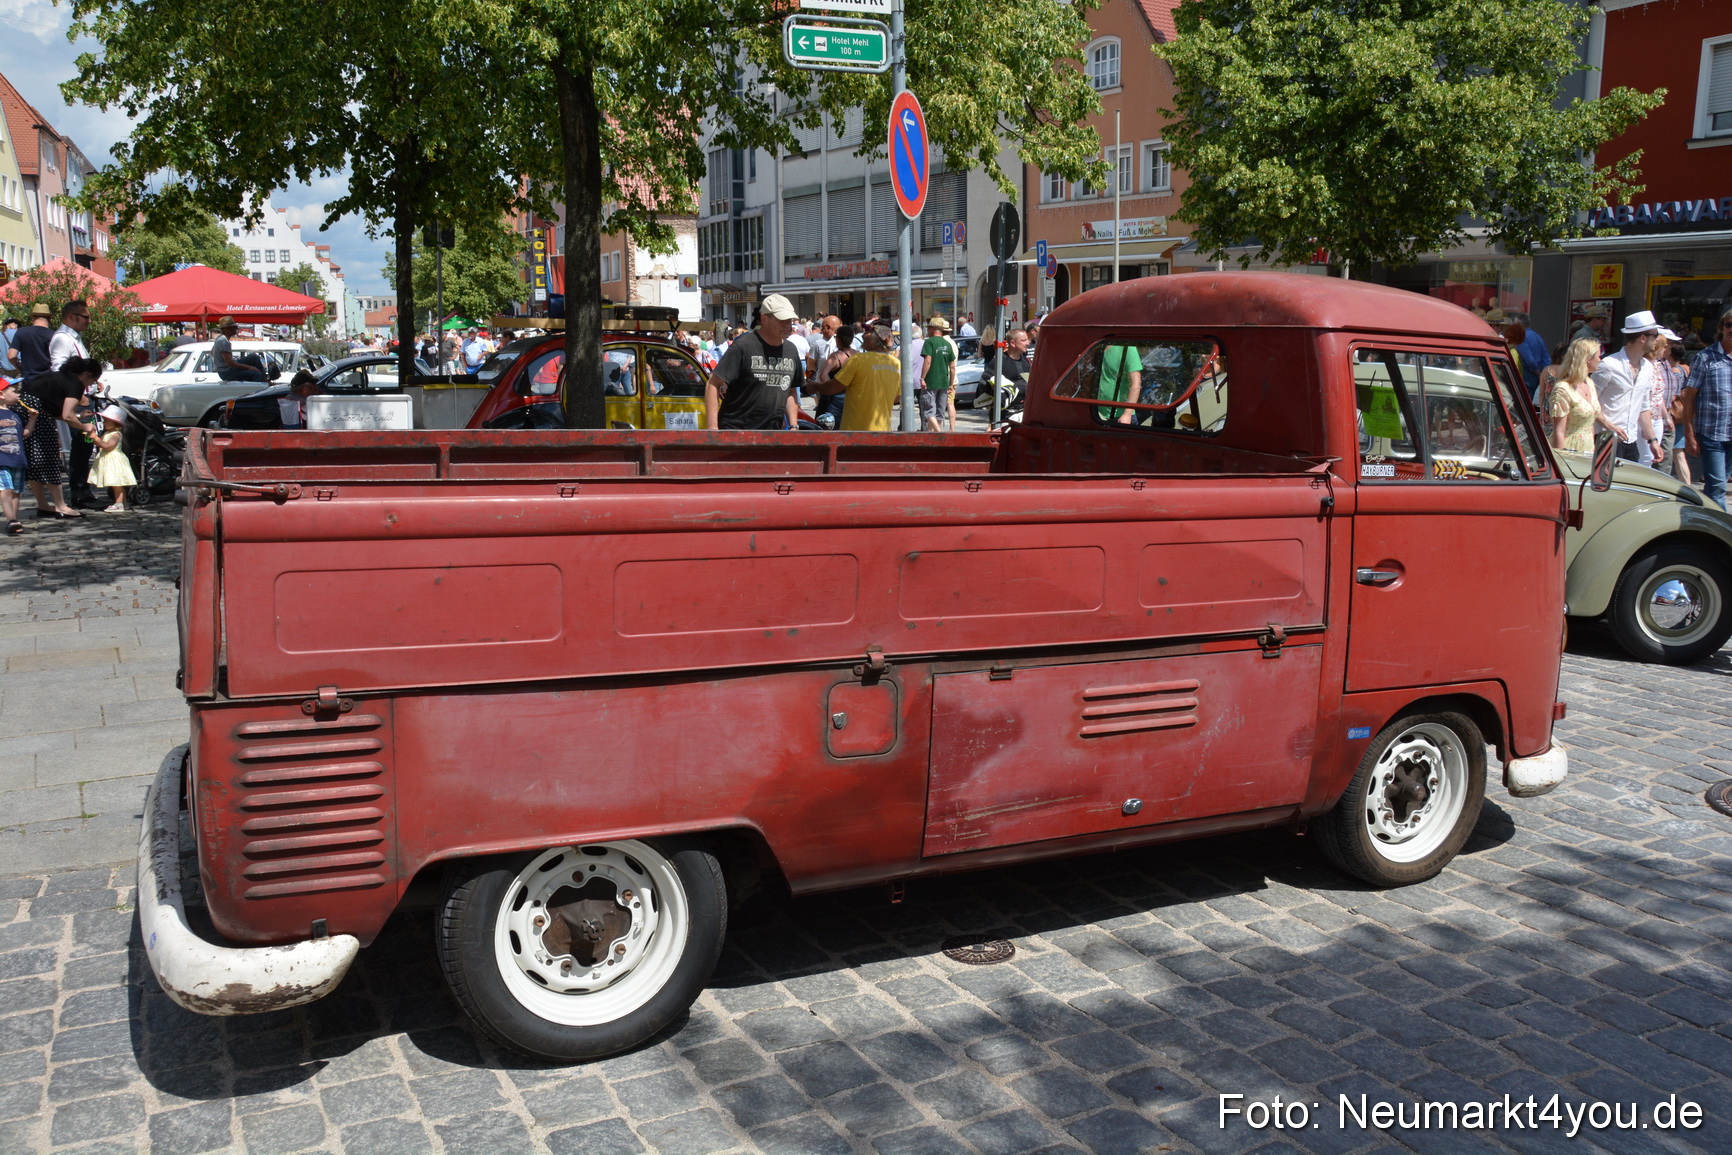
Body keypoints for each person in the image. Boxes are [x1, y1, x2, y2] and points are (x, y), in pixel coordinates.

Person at [704, 293, 803, 431]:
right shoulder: (743, 346)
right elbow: (713, 383)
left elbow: (791, 390)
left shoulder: (791, 350)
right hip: (736, 431)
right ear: (764, 319)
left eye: (790, 320)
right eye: (782, 320)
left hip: (772, 433)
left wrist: (793, 426)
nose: (788, 325)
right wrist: (712, 428)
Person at [20, 355, 103, 518]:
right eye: (93, 381)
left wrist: (78, 418)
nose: (91, 385)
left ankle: (43, 505)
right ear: (87, 374)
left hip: (28, 412)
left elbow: (57, 411)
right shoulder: (75, 384)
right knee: (50, 460)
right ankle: (61, 506)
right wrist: (85, 426)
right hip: (37, 417)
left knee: (35, 462)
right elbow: (67, 416)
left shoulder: (60, 378)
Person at [1593, 311, 1672, 463]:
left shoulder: (1647, 367)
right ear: (1643, 338)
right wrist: (1608, 425)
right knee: (1605, 486)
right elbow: (1588, 401)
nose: (1657, 340)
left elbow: (1643, 406)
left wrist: (1652, 440)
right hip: (1605, 439)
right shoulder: (1609, 365)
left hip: (1631, 440)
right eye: (1655, 335)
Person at [1681, 306, 1732, 509]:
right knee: (1718, 485)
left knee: (1716, 486)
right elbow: (1688, 398)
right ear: (1722, 328)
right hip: (1712, 433)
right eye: (1729, 324)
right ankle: (1723, 532)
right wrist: (1689, 434)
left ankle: (1705, 520)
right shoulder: (1706, 357)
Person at [813, 325, 900, 431]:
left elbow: (833, 387)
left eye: (868, 331)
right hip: (883, 429)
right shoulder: (896, 364)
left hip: (856, 431)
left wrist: (816, 387)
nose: (863, 334)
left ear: (876, 338)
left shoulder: (858, 360)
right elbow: (896, 398)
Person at [1548, 338, 1612, 454]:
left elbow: (1591, 421)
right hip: (1569, 449)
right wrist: (1561, 462)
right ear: (1587, 359)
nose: (1600, 360)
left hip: (1587, 450)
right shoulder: (1563, 388)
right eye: (1598, 356)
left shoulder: (1590, 383)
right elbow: (1559, 431)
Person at [86, 404, 137, 512]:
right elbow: (101, 443)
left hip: (114, 460)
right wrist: (94, 437)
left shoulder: (116, 434)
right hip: (108, 459)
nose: (103, 422)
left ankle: (119, 504)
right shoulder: (108, 433)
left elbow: (107, 446)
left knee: (116, 484)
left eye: (106, 420)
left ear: (115, 422)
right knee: (116, 484)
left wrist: (96, 438)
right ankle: (122, 502)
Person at [0, 378, 33, 534]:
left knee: (16, 491)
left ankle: (14, 520)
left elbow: (24, 434)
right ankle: (11, 519)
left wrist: (32, 419)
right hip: (2, 460)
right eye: (14, 391)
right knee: (5, 489)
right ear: (2, 394)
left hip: (17, 459)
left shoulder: (15, 414)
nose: (18, 394)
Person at [917, 316, 959, 432]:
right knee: (940, 412)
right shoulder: (948, 344)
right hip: (944, 383)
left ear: (933, 329)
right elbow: (952, 366)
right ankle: (934, 436)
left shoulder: (929, 342)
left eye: (929, 328)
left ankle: (939, 434)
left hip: (931, 382)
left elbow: (928, 360)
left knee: (929, 411)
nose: (927, 330)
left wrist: (923, 378)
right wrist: (951, 383)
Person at [982, 327, 1033, 403]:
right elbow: (983, 384)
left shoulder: (1026, 361)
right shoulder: (1000, 361)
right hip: (1006, 411)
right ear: (1012, 343)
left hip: (1024, 409)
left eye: (1027, 340)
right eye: (1023, 340)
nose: (1028, 343)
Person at [213, 317, 267, 383]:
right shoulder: (223, 341)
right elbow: (229, 362)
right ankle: (263, 383)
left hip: (226, 370)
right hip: (227, 372)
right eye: (233, 327)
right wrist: (249, 367)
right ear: (226, 329)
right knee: (257, 375)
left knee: (253, 357)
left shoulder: (220, 339)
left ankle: (264, 378)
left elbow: (212, 353)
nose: (236, 329)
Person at [11, 303, 52, 378]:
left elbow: (11, 356)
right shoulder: (55, 335)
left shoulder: (22, 332)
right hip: (48, 380)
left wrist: (20, 368)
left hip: (29, 379)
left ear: (33, 318)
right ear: (49, 319)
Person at [49, 299, 90, 370]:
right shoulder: (63, 338)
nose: (89, 321)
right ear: (71, 317)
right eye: (86, 317)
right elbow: (58, 370)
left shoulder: (73, 337)